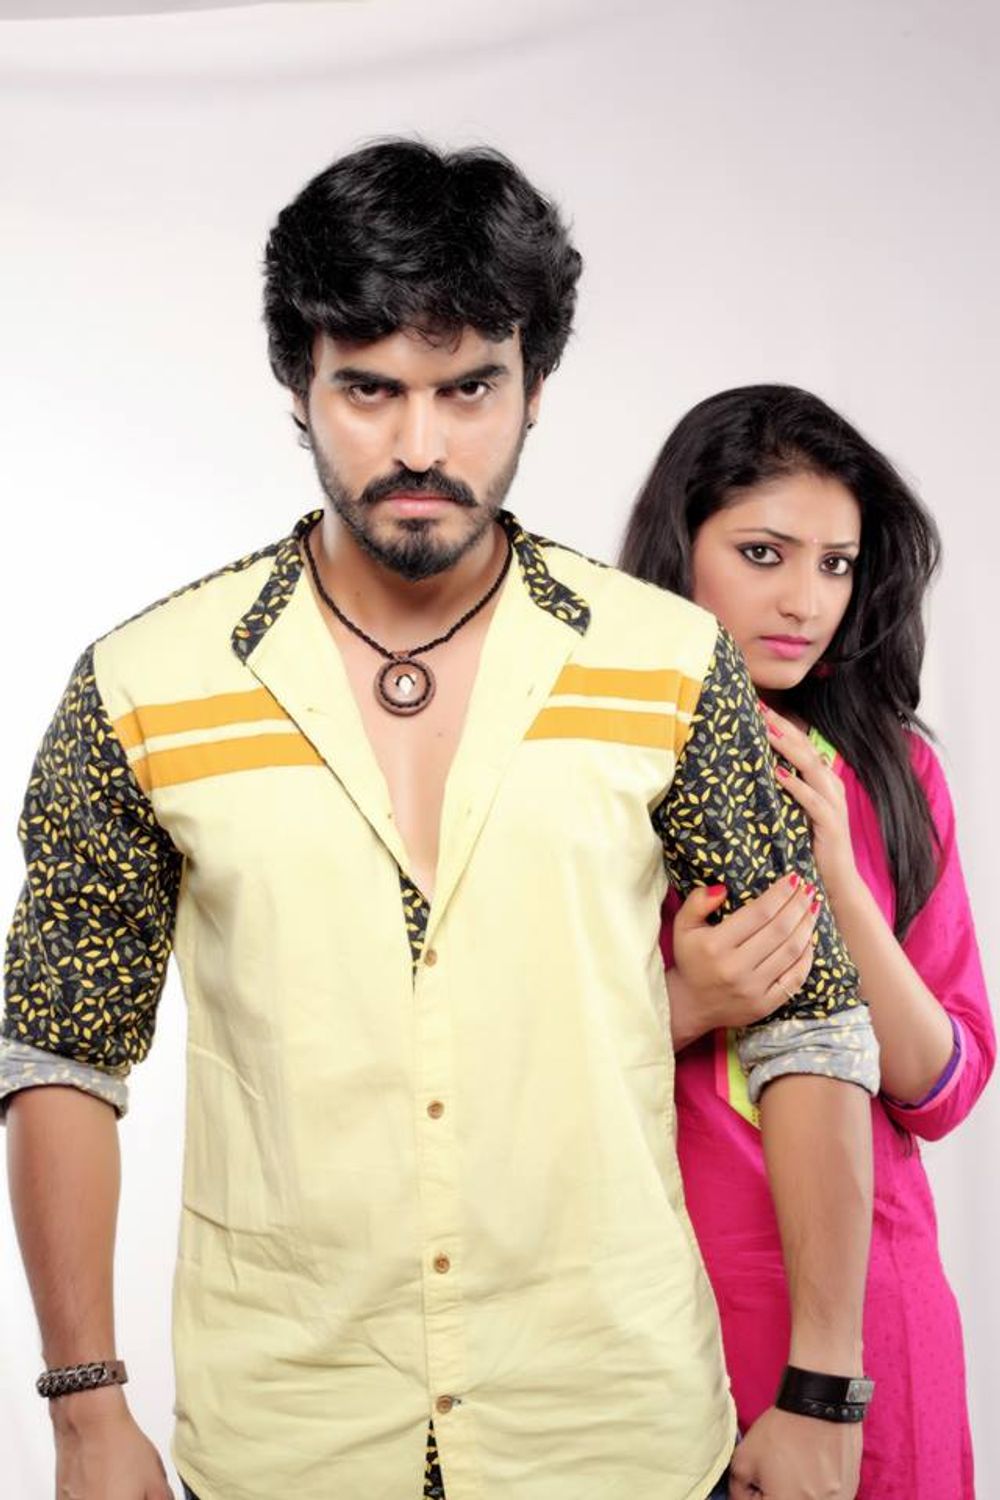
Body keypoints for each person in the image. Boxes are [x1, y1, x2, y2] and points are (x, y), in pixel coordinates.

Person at [3, 146, 878, 1500]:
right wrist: (83, 1410)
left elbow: (809, 1023)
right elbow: (62, 1050)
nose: (421, 445)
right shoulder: (143, 685)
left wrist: (823, 1387)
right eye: (370, 388)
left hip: (614, 1428)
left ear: (535, 386)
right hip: (291, 1434)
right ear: (299, 384)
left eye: (469, 387)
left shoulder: (666, 662)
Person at [620, 383, 995, 1499]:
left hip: (870, 1320)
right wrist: (687, 1003)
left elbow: (941, 1085)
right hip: (651, 1315)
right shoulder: (594, 764)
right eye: (763, 553)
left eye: (836, 564)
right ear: (678, 548)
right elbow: (496, 1065)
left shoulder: (892, 771)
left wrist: (842, 881)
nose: (805, 601)